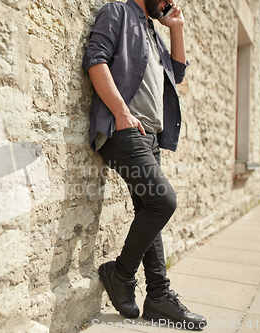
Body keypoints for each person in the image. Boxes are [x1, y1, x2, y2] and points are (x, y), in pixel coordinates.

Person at [82, 0, 206, 330]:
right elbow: (95, 60)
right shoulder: (118, 13)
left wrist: (176, 29)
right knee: (163, 201)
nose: (169, 3)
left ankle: (159, 298)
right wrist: (122, 114)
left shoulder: (153, 31)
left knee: (149, 209)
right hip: (123, 131)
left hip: (151, 136)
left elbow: (176, 74)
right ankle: (121, 274)